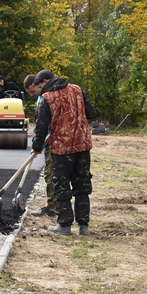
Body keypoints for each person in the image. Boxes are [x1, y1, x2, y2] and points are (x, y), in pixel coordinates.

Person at [31, 70, 96, 236]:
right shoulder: (77, 90)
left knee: (61, 184)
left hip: (61, 148)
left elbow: (41, 127)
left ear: (46, 81)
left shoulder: (47, 98)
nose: (40, 90)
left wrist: (37, 147)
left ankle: (64, 225)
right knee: (82, 184)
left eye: (40, 86)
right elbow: (93, 113)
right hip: (82, 146)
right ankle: (84, 226)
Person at [23, 73, 57, 217]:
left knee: (51, 173)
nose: (31, 94)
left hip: (54, 140)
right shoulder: (40, 98)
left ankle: (52, 206)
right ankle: (53, 204)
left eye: (32, 91)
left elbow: (44, 125)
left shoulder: (47, 97)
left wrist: (37, 145)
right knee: (50, 174)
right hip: (47, 139)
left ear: (39, 85)